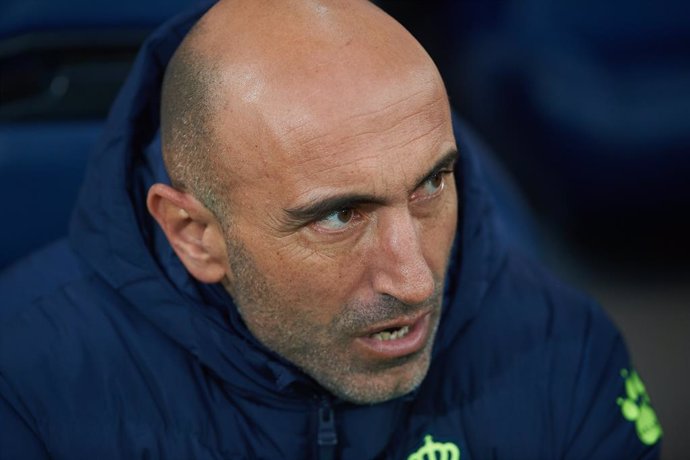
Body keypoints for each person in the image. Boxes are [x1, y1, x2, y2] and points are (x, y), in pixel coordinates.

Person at [0, 0, 662, 458]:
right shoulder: (25, 387)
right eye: (342, 216)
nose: (414, 278)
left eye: (431, 184)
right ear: (193, 234)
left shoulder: (561, 346)